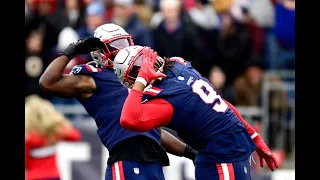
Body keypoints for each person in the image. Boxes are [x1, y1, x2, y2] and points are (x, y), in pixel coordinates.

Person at [39, 23, 197, 180]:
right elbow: (48, 82)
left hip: (154, 162)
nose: (122, 49)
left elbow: (157, 133)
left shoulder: (138, 79)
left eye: (124, 43)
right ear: (99, 53)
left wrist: (191, 153)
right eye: (115, 45)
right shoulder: (94, 77)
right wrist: (72, 49)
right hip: (126, 159)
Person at [113, 46, 279, 179]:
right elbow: (222, 103)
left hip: (223, 155)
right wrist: (254, 135)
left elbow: (128, 120)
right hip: (222, 151)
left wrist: (140, 81)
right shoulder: (179, 65)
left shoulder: (165, 100)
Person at [25, 95, 81, 180]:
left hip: (34, 176)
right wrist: (57, 124)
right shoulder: (54, 134)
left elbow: (26, 163)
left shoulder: (28, 138)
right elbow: (75, 136)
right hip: (53, 175)